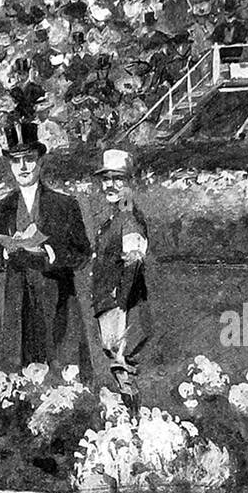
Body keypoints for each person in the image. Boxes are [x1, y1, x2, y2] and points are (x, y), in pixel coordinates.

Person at [0, 118, 100, 375]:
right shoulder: (2, 208)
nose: (23, 167)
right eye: (15, 160)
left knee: (66, 376)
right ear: (9, 164)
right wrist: (4, 251)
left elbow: (82, 252)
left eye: (29, 159)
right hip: (18, 304)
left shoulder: (64, 205)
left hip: (58, 302)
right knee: (19, 378)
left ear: (40, 160)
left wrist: (51, 253)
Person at [90, 148, 151, 410]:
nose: (111, 185)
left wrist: (120, 304)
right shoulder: (116, 215)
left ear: (130, 182)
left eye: (119, 179)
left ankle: (131, 421)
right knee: (118, 367)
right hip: (110, 302)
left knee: (122, 365)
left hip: (120, 305)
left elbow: (133, 263)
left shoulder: (129, 216)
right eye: (107, 179)